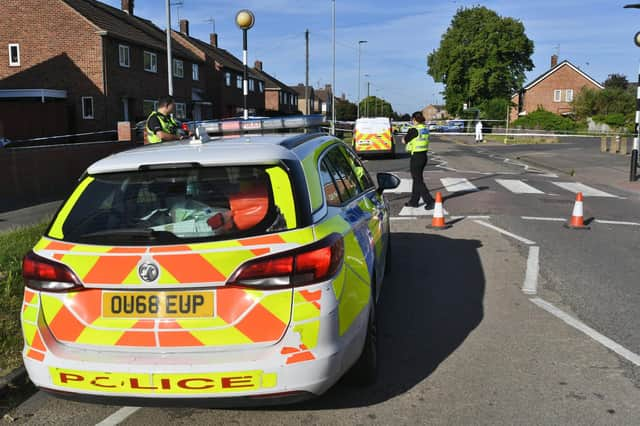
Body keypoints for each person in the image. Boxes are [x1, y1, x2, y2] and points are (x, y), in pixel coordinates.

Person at [402, 111, 435, 209]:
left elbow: (404, 141)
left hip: (416, 157)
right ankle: (414, 201)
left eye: (412, 120)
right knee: (417, 179)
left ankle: (429, 201)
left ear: (414, 119)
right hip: (423, 156)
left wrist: (405, 137)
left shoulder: (414, 130)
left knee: (418, 180)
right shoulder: (425, 129)